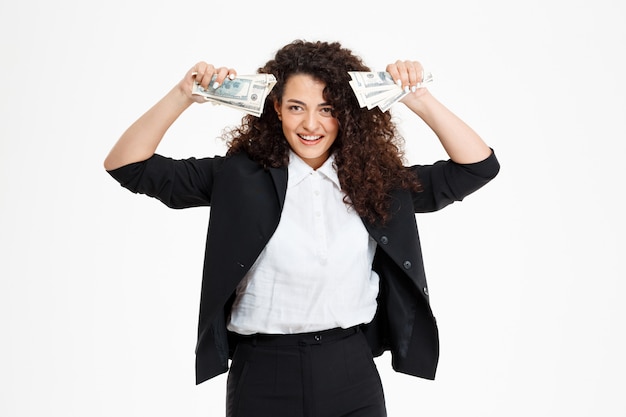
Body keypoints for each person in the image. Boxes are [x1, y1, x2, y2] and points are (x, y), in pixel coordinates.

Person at [104, 39, 499, 417]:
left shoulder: (375, 182)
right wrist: (182, 95)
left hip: (351, 370)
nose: (311, 124)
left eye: (327, 108)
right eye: (296, 107)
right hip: (262, 373)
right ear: (275, 108)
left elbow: (477, 167)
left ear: (347, 111)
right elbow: (128, 166)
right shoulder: (238, 177)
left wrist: (417, 96)